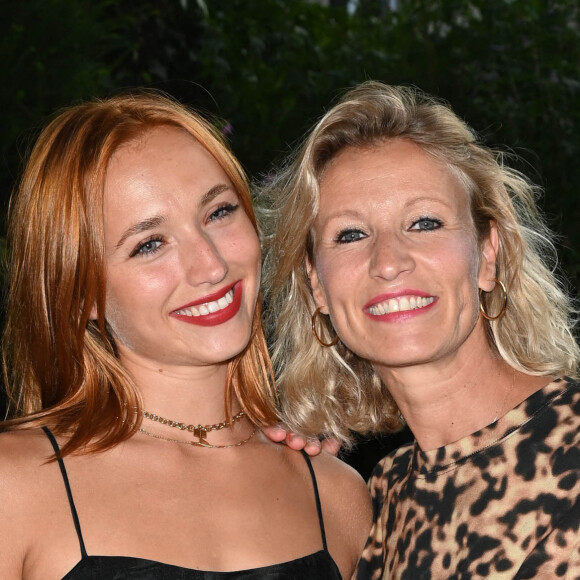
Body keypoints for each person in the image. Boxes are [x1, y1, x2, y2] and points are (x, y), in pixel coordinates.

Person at [0, 91, 371, 580]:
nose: (212, 265)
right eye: (149, 244)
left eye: (218, 212)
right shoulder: (16, 485)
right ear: (78, 296)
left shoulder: (337, 494)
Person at [263, 81, 580, 579]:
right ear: (316, 286)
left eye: (425, 223)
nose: (388, 262)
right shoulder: (385, 500)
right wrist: (276, 475)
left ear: (488, 254)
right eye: (350, 234)